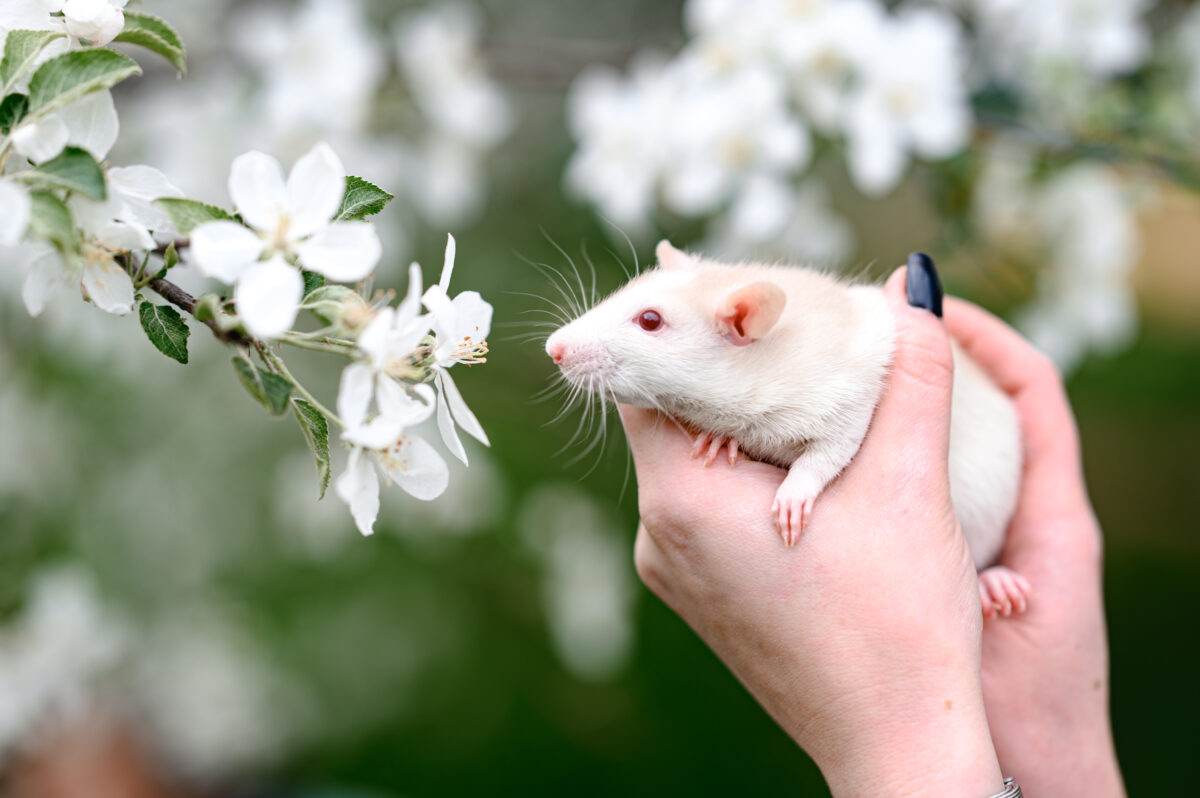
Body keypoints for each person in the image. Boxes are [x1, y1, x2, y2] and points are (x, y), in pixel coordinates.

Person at [620, 262, 1126, 797]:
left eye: (649, 322)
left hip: (974, 494)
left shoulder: (816, 366)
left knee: (974, 490)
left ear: (744, 321)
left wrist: (897, 734)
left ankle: (977, 572)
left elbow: (841, 420)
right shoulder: (748, 384)